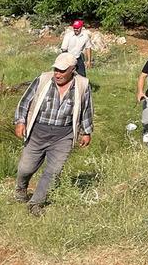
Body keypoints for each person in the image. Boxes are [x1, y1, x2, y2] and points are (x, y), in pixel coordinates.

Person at [13, 53, 94, 216]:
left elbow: (86, 108)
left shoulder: (82, 84)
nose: (57, 74)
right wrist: (20, 121)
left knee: (53, 171)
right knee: (25, 168)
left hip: (63, 136)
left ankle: (36, 203)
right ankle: (21, 189)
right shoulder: (43, 79)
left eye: (62, 71)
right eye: (56, 69)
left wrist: (86, 131)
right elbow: (25, 101)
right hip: (38, 132)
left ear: (72, 69)